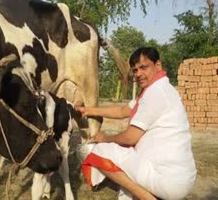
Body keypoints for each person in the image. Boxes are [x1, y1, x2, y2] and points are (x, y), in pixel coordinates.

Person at [76, 47, 196, 200]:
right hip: (180, 177)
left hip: (167, 179)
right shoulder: (159, 88)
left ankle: (147, 197)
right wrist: (87, 110)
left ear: (158, 65)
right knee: (125, 185)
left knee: (96, 150)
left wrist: (104, 138)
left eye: (143, 67)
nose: (138, 74)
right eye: (135, 70)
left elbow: (130, 138)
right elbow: (122, 111)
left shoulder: (155, 92)